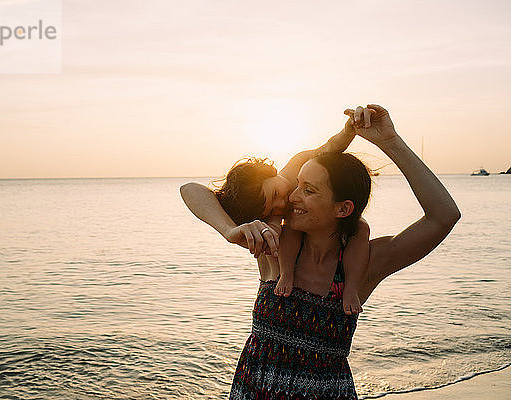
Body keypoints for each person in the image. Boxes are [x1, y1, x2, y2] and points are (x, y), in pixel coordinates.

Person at [180, 105, 461, 399]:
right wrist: (229, 230)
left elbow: (444, 216)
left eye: (309, 190)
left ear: (343, 208)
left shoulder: (364, 264)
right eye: (297, 185)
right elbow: (191, 190)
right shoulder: (272, 245)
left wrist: (389, 141)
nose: (291, 197)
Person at [182, 117, 369, 314]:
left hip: (339, 232)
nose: (282, 204)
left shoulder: (297, 165)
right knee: (288, 228)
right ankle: (287, 273)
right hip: (292, 248)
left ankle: (351, 288)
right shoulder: (276, 222)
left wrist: (349, 132)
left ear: (271, 173)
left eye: (275, 194)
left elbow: (331, 146)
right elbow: (189, 189)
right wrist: (229, 231)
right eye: (272, 209)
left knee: (362, 227)